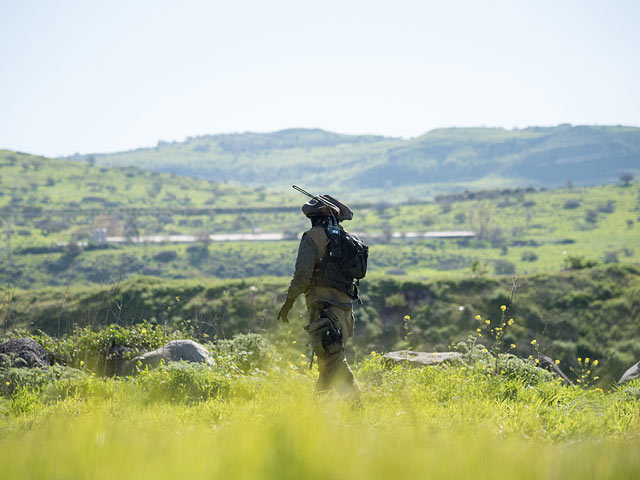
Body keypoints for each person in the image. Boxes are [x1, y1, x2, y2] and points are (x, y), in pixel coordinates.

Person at [277, 194, 362, 403]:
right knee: (327, 362)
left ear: (315, 217)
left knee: (334, 361)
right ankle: (316, 414)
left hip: (324, 311)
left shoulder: (312, 237)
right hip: (345, 314)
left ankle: (357, 408)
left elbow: (302, 275)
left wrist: (288, 302)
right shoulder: (345, 238)